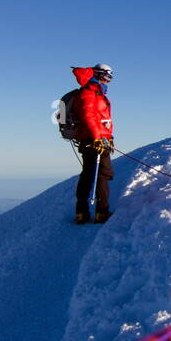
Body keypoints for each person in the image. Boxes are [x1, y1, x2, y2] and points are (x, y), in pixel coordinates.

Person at [68, 64, 115, 224]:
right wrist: (98, 138)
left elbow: (102, 119)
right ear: (99, 75)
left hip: (98, 139)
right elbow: (88, 117)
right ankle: (101, 212)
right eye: (107, 76)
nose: (109, 80)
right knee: (102, 174)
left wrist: (109, 137)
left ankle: (82, 213)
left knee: (89, 174)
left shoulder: (97, 93)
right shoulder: (89, 93)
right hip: (94, 141)